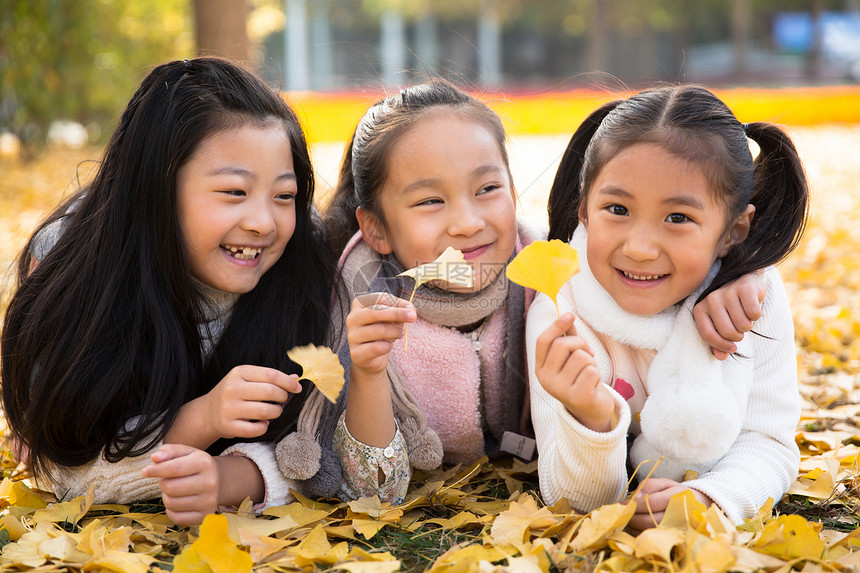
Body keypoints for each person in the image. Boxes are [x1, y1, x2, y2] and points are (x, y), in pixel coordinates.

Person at [274, 80, 772, 506]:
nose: (468, 224)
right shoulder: (355, 303)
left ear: (513, 190)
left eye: (487, 189)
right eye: (430, 200)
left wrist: (741, 271)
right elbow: (374, 492)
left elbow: (676, 228)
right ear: (376, 228)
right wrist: (367, 372)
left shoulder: (546, 278)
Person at [1, 57, 335, 526]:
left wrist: (232, 475)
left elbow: (320, 449)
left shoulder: (303, 265)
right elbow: (67, 469)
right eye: (234, 192)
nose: (264, 222)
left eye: (284, 196)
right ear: (156, 190)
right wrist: (205, 418)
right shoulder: (76, 273)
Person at [528, 84, 809, 528]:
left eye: (678, 218)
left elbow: (768, 442)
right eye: (617, 208)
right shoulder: (560, 309)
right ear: (583, 210)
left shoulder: (755, 302)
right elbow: (569, 498)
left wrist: (709, 499)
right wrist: (592, 419)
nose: (639, 248)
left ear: (734, 230)